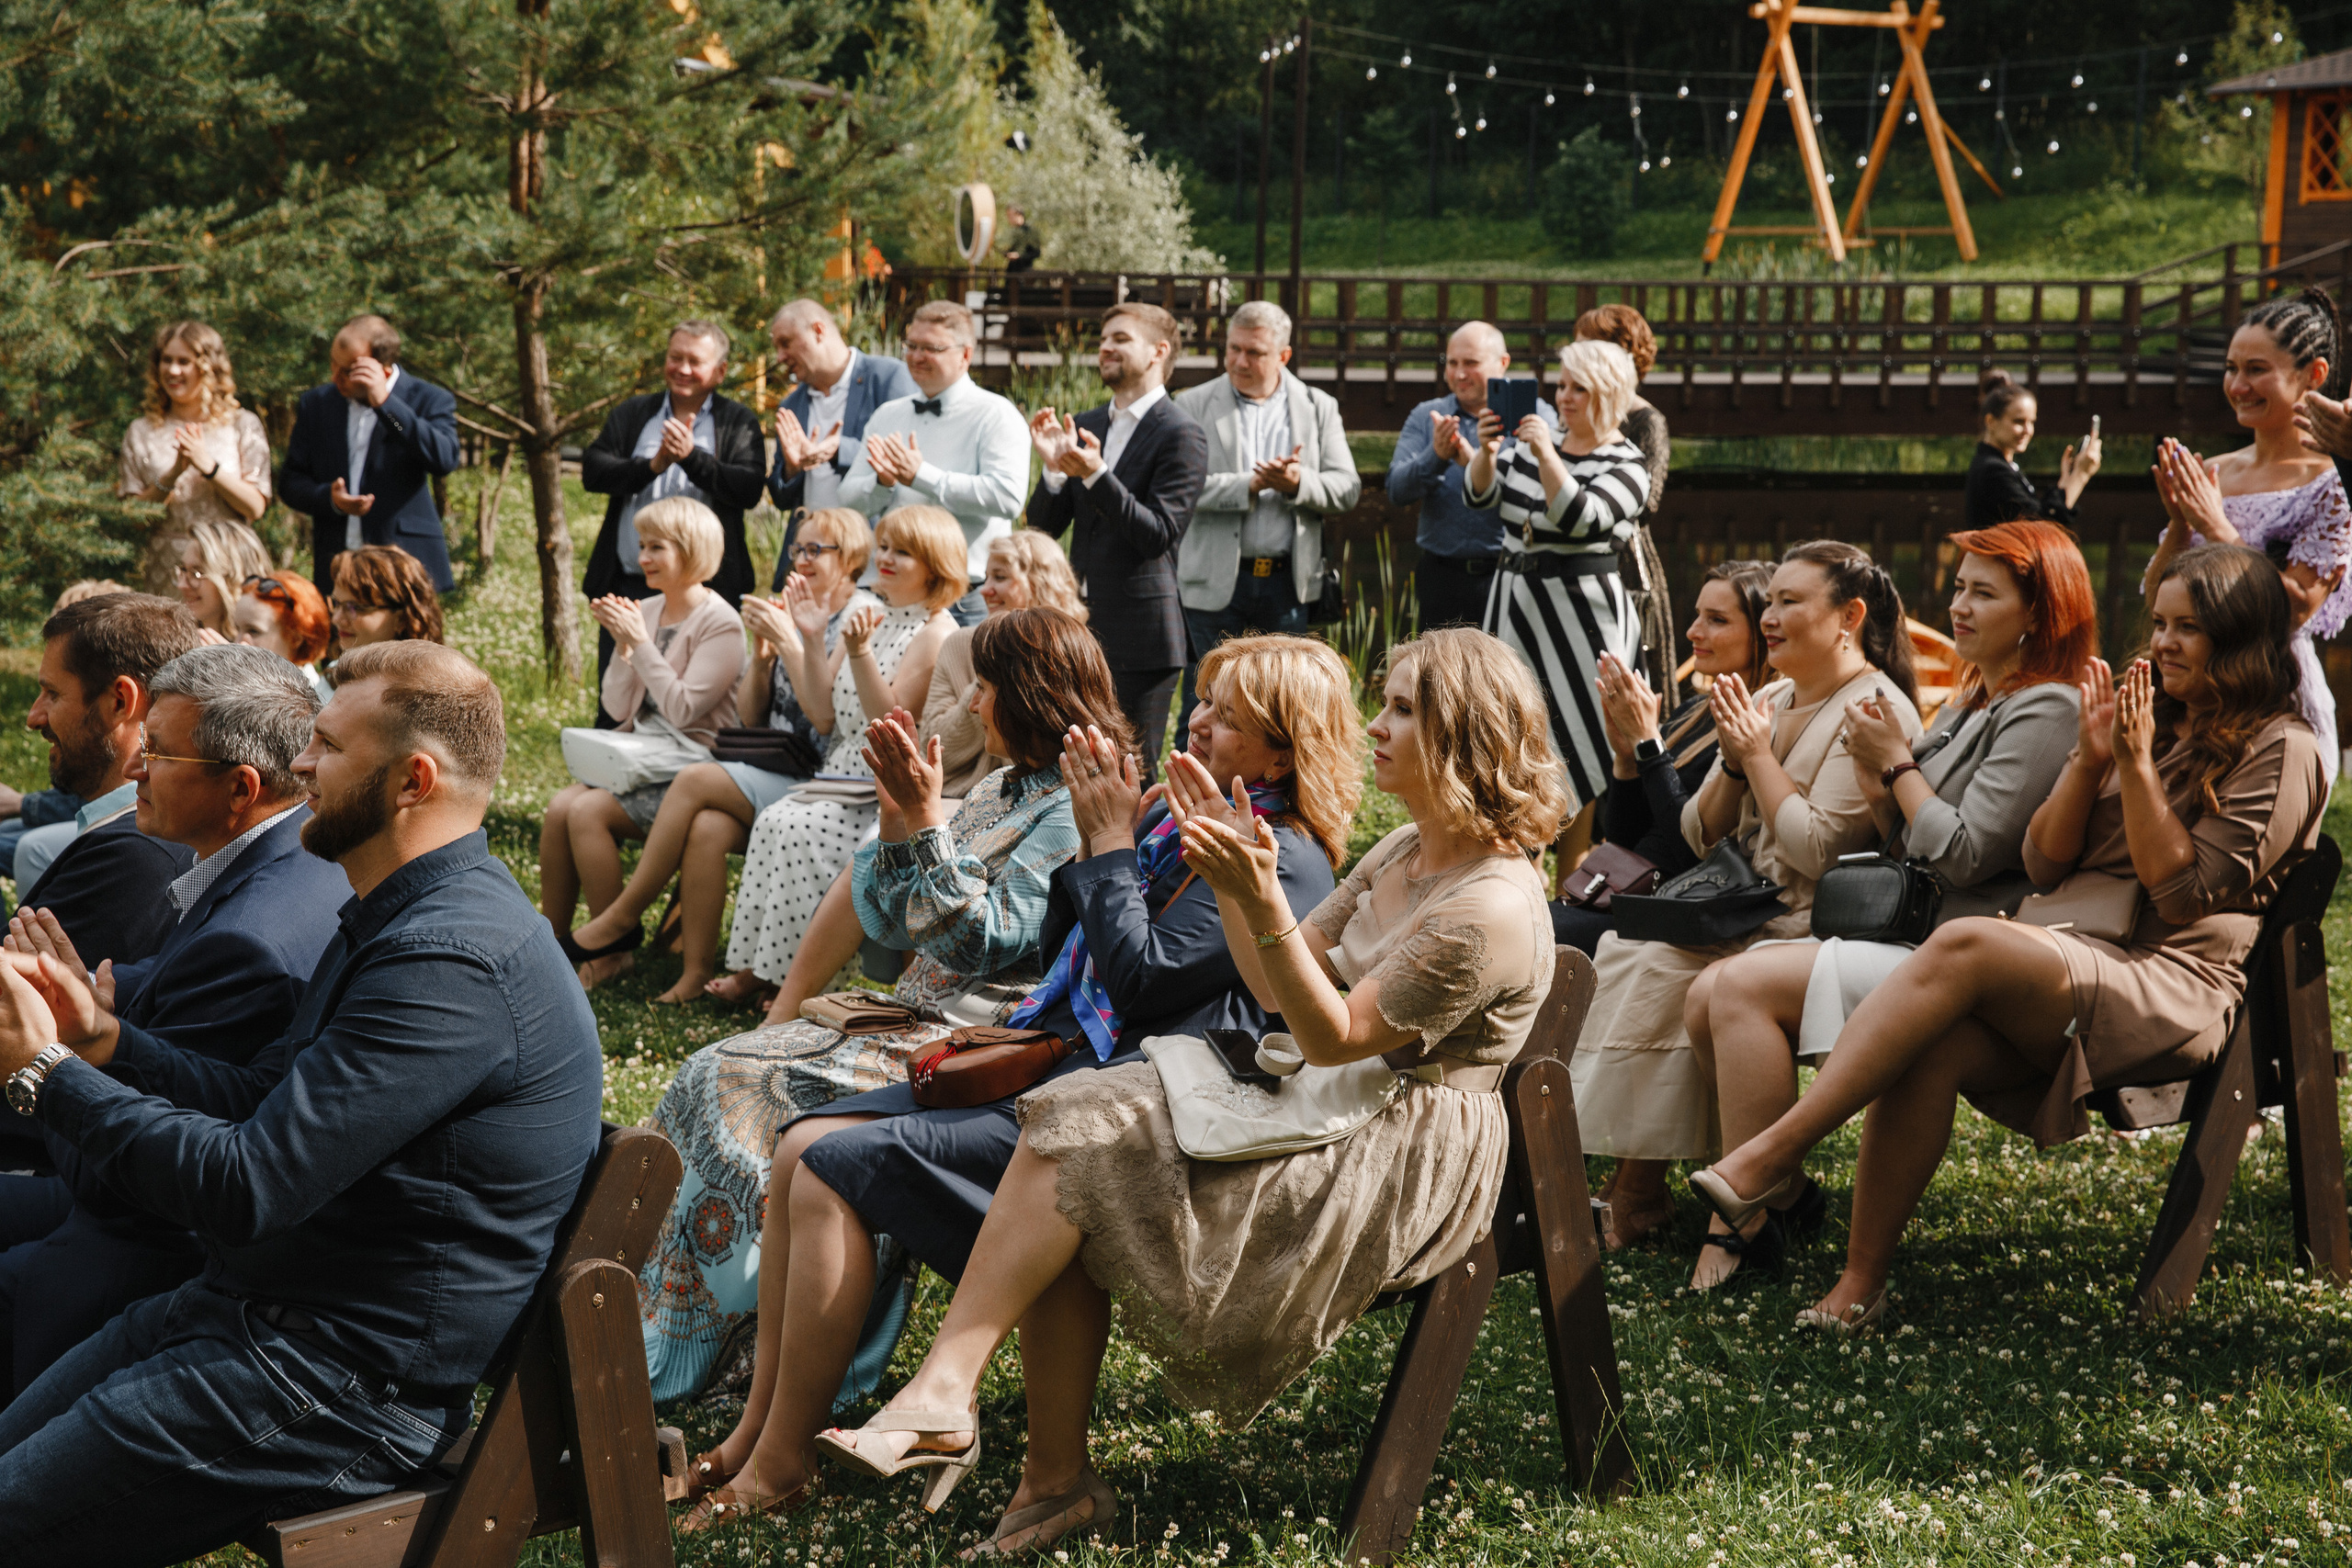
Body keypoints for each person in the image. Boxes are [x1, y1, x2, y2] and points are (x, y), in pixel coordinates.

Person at [809, 628, 1562, 1556]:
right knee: (1077, 1122)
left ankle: (991, 1434)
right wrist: (1237, 886)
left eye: (1404, 709)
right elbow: (1271, 982)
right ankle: (994, 1436)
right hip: (1320, 1095)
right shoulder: (1407, 848)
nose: (1376, 724)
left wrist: (1261, 897)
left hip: (1392, 1144)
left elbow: (1330, 1033)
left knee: (1087, 1147)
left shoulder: (1486, 907)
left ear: (1464, 731)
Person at [679, 632, 1358, 1525]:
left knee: (831, 1169)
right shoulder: (1171, 827)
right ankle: (751, 1443)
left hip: (1125, 1110)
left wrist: (1110, 844)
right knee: (799, 1145)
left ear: (1284, 747)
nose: (1198, 719)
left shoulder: (1283, 856)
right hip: (1057, 1063)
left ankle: (778, 1465)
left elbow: (1144, 988)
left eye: (1228, 716)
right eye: (1202, 699)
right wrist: (1107, 838)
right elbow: (1055, 955)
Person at [0, 640, 604, 1568]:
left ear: (411, 780)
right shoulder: (404, 913)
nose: (299, 767)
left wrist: (46, 1074)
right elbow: (260, 1098)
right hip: (249, 1319)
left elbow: (247, 1185)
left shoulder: (450, 964)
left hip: (331, 1392)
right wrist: (107, 1044)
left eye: (324, 746)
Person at [1693, 544, 2327, 1335]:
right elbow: (2042, 858)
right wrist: (2092, 758)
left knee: (1966, 945)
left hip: (2169, 981)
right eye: (2159, 623)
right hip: (2071, 951)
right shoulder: (2146, 719)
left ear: (2239, 640)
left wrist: (2128, 765)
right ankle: (1860, 1284)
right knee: (1933, 1040)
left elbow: (2184, 888)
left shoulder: (2285, 749)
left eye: (2188, 628)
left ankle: (1769, 1156)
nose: (2161, 642)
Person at [633, 607, 1115, 1408]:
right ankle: (660, 1317)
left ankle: (742, 1356)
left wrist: (927, 822)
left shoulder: (1069, 802)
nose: (969, 706)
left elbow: (991, 941)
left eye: (985, 688)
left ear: (1032, 694)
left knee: (739, 1091)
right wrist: (900, 823)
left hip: (975, 1043)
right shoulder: (1006, 784)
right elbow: (897, 928)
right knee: (707, 1074)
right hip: (916, 1016)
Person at [1679, 522, 2095, 1289]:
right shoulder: (1975, 699)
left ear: (2036, 613)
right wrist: (1883, 782)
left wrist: (1893, 764)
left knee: (1734, 984)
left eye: (1982, 592)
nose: (1957, 606)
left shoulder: (2048, 709)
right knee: (1708, 990)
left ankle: (1743, 1221)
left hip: (1966, 952)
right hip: (1917, 933)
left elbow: (1970, 852)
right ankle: (1783, 1198)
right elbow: (1906, 835)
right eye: (1960, 585)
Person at [0, 645, 348, 1394]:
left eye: (156, 751)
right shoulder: (295, 859)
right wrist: (98, 1007)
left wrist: (52, 1053)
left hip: (133, 1271)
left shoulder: (245, 941)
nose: (134, 768)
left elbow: (115, 1183)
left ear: (239, 788)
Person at [1572, 542, 1921, 1252]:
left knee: (1670, 971)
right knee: (1630, 952)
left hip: (1818, 929)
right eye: (1775, 600)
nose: (1773, 617)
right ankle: (1643, 1185)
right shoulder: (1768, 697)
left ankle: (1689, 1197)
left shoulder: (1876, 710)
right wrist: (1734, 759)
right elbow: (1699, 832)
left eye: (1793, 603)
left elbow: (1819, 849)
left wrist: (1758, 756)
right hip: (1747, 913)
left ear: (1849, 616)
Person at [566, 508, 879, 1006]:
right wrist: (762, 658)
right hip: (772, 763)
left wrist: (790, 639)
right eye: (798, 549)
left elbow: (824, 719)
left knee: (695, 781)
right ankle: (695, 972)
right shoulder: (794, 605)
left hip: (821, 775)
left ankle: (624, 917)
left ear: (853, 558)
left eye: (815, 550)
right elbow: (751, 715)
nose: (801, 560)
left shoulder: (858, 616)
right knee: (708, 827)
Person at [722, 507, 964, 1009]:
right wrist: (812, 636)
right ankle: (763, 970)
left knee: (799, 830)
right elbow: (823, 712)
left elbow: (893, 720)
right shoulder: (870, 613)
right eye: (885, 548)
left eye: (903, 551)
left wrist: (860, 654)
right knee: (776, 820)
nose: (886, 559)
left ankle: (802, 983)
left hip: (882, 781)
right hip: (836, 770)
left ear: (935, 565)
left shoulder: (936, 631)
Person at [2147, 287, 2350, 789]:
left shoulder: (2335, 481)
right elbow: (2155, 596)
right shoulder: (2212, 471)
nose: (2238, 385)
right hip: (2185, 695)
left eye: (2256, 370)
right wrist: (2178, 523)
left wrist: (2216, 527)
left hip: (2275, 698)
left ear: (2313, 374)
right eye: (2231, 368)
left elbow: (2298, 606)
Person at [541, 497, 745, 977]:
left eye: (657, 547)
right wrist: (622, 646)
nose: (643, 558)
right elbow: (615, 707)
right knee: (559, 808)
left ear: (692, 551)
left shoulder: (722, 622)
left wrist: (642, 644)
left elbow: (682, 708)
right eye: (642, 546)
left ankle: (612, 947)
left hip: (693, 764)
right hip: (643, 753)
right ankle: (550, 945)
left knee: (587, 811)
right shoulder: (648, 609)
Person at [1452, 338, 1651, 818]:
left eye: (1578, 388)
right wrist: (1485, 451)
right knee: (1509, 727)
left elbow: (1581, 519)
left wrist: (1545, 453)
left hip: (1583, 615)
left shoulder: (1627, 463)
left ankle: (1575, 867)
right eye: (1562, 385)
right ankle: (1522, 857)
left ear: (1607, 393)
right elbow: (1481, 498)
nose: (1563, 397)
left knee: (1579, 733)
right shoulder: (1527, 445)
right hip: (1515, 603)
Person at [1552, 560, 1774, 955]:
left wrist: (1649, 744)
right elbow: (1624, 843)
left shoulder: (1756, 725)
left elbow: (1690, 852)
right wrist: (1626, 760)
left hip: (1668, 912)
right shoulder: (1693, 712)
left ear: (1764, 631)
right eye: (1698, 616)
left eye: (1717, 620)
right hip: (1624, 898)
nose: (1693, 632)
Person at [1028, 303, 1211, 779]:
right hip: (1076, 629)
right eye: (1104, 338)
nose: (1106, 346)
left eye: (1121, 339)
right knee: (1070, 765)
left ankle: (1130, 857)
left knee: (1131, 771)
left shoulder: (1181, 433)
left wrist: (1096, 475)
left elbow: (1157, 536)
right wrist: (1052, 470)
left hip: (1142, 635)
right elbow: (1043, 529)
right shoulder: (1087, 424)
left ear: (1158, 352)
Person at [1173, 300, 1358, 724]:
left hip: (1287, 585)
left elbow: (1347, 488)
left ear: (1283, 356)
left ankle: (1274, 792)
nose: (1240, 361)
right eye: (1233, 349)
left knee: (1281, 709)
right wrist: (1250, 485)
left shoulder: (1317, 406)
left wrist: (1297, 484)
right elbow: (1181, 489)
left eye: (1254, 352)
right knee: (1202, 707)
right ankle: (1194, 791)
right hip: (1214, 582)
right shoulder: (1192, 405)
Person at [11, 594, 204, 959]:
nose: (34, 717)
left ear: (120, 701)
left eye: (52, 694)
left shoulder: (131, 854)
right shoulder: (166, 830)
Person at [581, 321, 765, 682]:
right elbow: (593, 471)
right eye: (675, 358)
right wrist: (653, 465)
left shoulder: (739, 421)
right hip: (631, 586)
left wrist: (691, 458)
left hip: (706, 594)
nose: (682, 369)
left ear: (720, 371)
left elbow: (749, 488)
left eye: (695, 361)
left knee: (689, 697)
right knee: (619, 693)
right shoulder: (634, 413)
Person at [841, 300, 1028, 625]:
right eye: (911, 345)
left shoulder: (996, 415)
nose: (916, 357)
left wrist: (922, 476)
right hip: (893, 590)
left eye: (931, 348)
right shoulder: (888, 415)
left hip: (964, 594)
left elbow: (1008, 498)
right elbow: (847, 500)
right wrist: (882, 485)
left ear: (965, 355)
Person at [1387, 321, 1557, 631]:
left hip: (1511, 571)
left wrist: (1475, 463)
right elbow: (1397, 490)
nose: (1459, 374)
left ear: (1502, 363)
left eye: (1471, 363)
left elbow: (1545, 494)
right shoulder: (1429, 416)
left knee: (1507, 678)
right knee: (1440, 676)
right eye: (1452, 363)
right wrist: (1435, 457)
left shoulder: (1535, 416)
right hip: (1441, 575)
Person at [278, 313, 459, 597]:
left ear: (383, 370)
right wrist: (331, 499)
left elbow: (443, 459)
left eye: (348, 370)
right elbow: (290, 482)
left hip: (405, 566)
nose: (334, 377)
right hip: (336, 568)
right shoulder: (317, 404)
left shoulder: (427, 398)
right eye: (333, 365)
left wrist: (387, 405)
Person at [921, 532, 1083, 800]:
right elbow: (935, 751)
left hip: (1043, 801)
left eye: (1000, 577)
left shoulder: (1072, 653)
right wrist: (988, 674)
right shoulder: (959, 645)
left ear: (1039, 583)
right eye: (985, 578)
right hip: (956, 799)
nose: (985, 589)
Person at [116, 321, 271, 594]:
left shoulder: (242, 425)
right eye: (167, 360)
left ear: (208, 367)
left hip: (229, 562)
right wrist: (172, 474)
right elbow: (134, 519)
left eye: (184, 361)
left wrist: (209, 467)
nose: (173, 370)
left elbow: (255, 507)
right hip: (169, 567)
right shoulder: (141, 431)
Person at [765, 299, 918, 570]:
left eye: (786, 343)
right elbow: (781, 499)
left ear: (818, 331)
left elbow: (908, 456)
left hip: (875, 558)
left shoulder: (886, 377)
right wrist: (792, 467)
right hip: (811, 563)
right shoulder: (791, 406)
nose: (779, 357)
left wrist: (840, 450)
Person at [1576, 304, 1677, 688]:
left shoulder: (1646, 420)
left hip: (1625, 563)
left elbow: (1646, 504)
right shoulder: (1574, 411)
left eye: (1588, 349)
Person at [1962, 368, 2103, 531]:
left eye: (2032, 422)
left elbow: (2038, 514)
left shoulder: (2000, 464)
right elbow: (2041, 530)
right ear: (1991, 421)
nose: (2028, 430)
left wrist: (2065, 482)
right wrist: (2081, 475)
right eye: (2019, 422)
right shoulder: (1992, 470)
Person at [231, 570, 335, 703]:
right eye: (237, 629)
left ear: (295, 638)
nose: (239, 642)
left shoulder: (313, 700)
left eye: (254, 631)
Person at [327, 545, 445, 653]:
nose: (336, 619)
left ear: (402, 618)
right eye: (337, 603)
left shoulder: (430, 675)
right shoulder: (334, 673)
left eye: (356, 607)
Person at [173, 520, 272, 641]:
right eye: (183, 570)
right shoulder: (178, 642)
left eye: (196, 573)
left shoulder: (266, 646)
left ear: (233, 578)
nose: (181, 585)